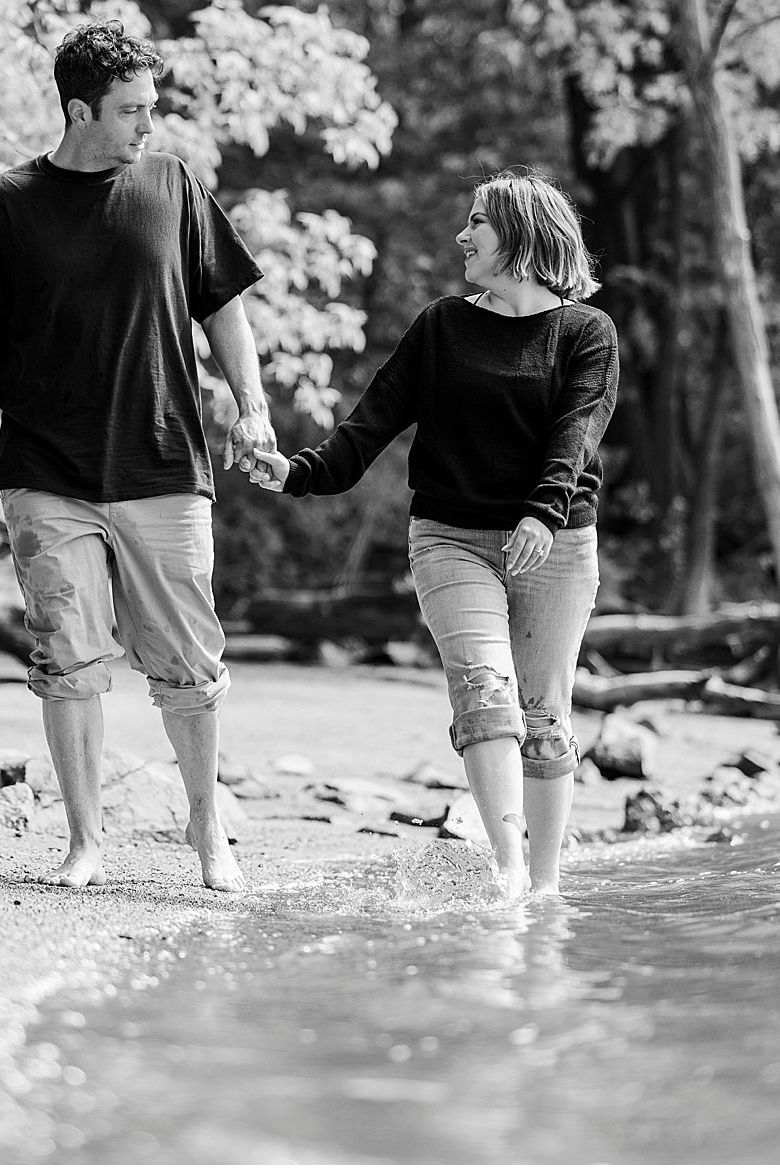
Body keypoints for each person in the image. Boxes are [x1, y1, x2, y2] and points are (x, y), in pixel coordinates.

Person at [0, 20, 274, 891]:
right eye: (131, 111)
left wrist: (251, 405)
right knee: (67, 659)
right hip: (47, 473)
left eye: (153, 108)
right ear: (79, 110)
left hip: (164, 466)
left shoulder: (173, 185)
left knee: (190, 667)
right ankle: (85, 843)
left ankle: (206, 834)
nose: (148, 126)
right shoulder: (3, 204)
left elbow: (223, 306)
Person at [249, 169, 619, 902]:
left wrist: (542, 512)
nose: (462, 235)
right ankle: (508, 872)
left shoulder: (587, 334)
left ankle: (545, 889)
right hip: (450, 537)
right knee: (486, 692)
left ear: (521, 233)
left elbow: (577, 432)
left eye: (477, 220)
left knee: (544, 719)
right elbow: (371, 423)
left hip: (558, 541)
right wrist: (295, 472)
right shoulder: (442, 326)